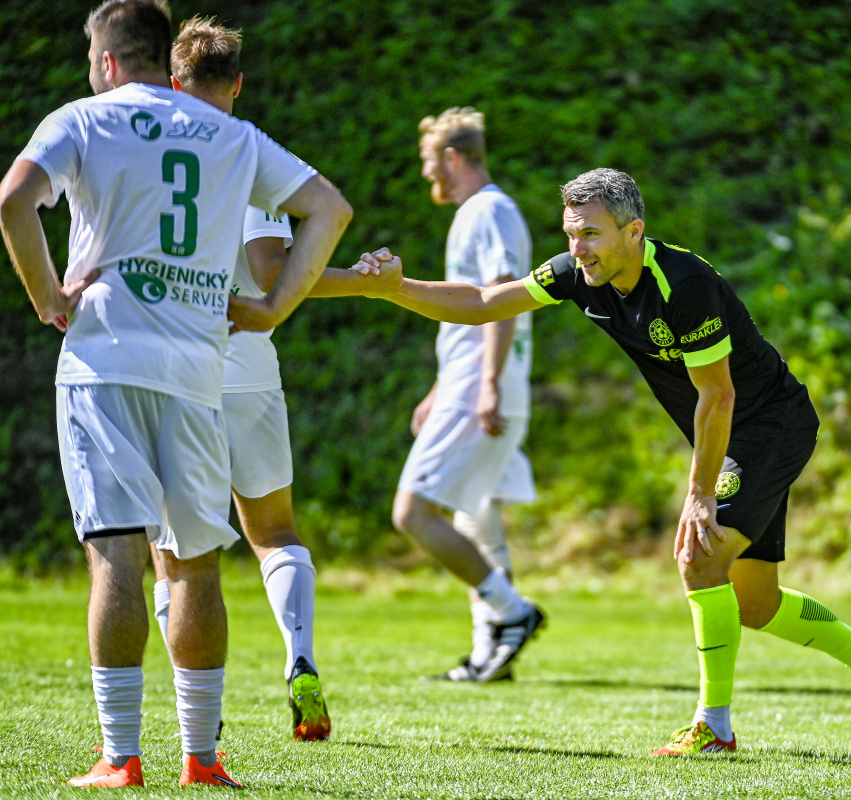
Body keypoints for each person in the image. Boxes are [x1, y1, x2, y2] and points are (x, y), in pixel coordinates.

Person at [352, 168, 851, 755]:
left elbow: (718, 396)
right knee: (754, 603)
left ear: (634, 231)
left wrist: (700, 494)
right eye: (572, 233)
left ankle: (714, 727)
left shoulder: (685, 285)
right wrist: (395, 288)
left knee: (698, 557)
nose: (578, 249)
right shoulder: (577, 275)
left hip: (770, 424)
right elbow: (483, 302)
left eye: (591, 234)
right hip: (730, 431)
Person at [0, 0, 351, 787]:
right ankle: (202, 758)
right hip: (197, 369)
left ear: (108, 61)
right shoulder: (230, 134)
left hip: (106, 361)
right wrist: (272, 308)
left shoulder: (83, 118)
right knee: (195, 564)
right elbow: (330, 209)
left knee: (117, 558)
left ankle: (122, 757)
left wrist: (49, 298)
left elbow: (13, 200)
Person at [148, 16, 391, 744]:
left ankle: (199, 707)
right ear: (238, 86)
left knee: (173, 553)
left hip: (169, 370)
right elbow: (271, 272)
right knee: (275, 531)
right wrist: (363, 280)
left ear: (173, 84)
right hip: (248, 363)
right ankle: (300, 658)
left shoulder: (143, 152)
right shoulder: (251, 152)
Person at [401, 108, 537, 682]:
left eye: (429, 161)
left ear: (452, 158)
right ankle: (489, 654)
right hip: (466, 382)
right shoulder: (474, 212)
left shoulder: (491, 210)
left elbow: (503, 296)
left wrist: (486, 383)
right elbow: (469, 314)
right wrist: (440, 387)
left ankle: (514, 612)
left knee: (412, 513)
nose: (427, 173)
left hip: (482, 386)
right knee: (476, 520)